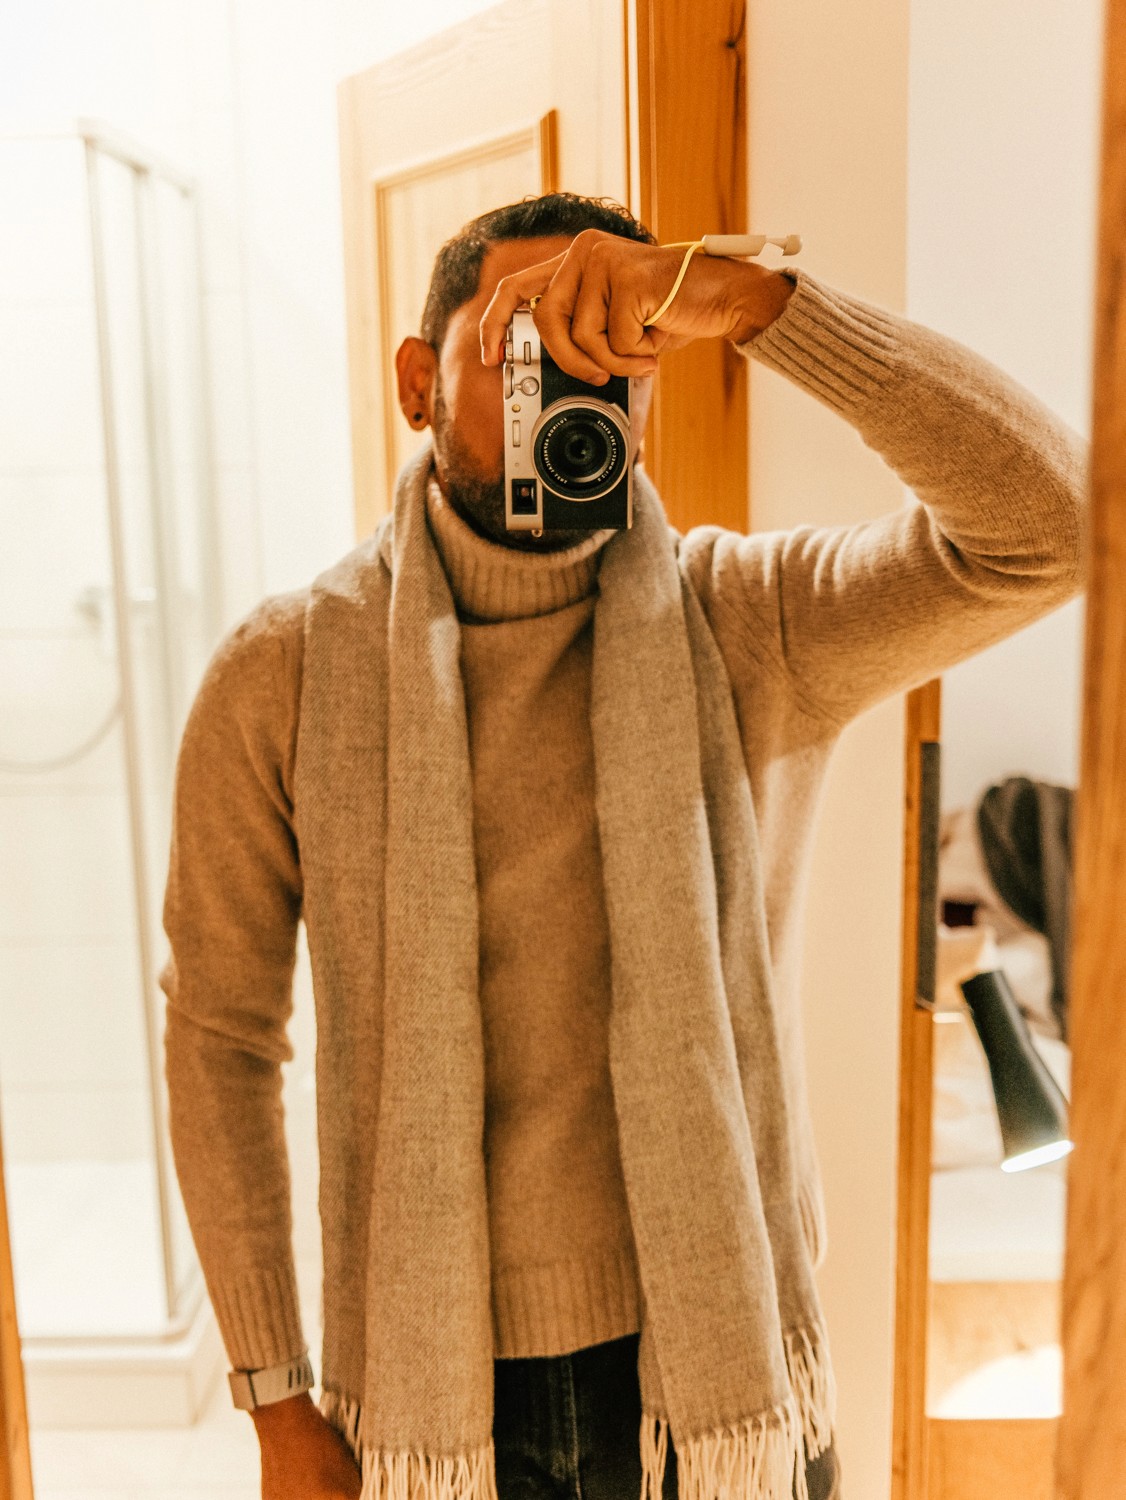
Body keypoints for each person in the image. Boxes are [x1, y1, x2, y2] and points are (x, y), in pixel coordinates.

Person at [158, 192, 1087, 1500]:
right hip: (433, 1391)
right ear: (421, 383)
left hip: (720, 1373)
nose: (572, 387)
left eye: (615, 350)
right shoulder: (285, 675)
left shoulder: (744, 624)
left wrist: (762, 309)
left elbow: (1051, 526)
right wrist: (271, 1396)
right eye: (523, 341)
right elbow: (220, 1037)